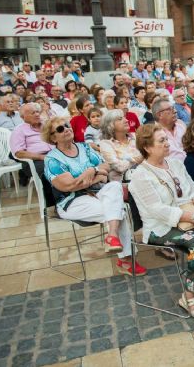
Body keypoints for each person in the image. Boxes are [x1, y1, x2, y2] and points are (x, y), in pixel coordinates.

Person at [129, 124, 194, 319]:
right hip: (161, 228)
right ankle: (188, 296)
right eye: (161, 141)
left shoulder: (175, 164)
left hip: (191, 215)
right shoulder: (140, 175)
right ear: (147, 147)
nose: (167, 143)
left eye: (166, 139)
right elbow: (157, 210)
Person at [42, 116, 146, 276]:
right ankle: (125, 258)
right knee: (118, 212)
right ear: (53, 137)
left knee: (114, 185)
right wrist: (93, 172)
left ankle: (112, 237)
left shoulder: (84, 147)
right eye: (60, 129)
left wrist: (93, 172)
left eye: (67, 125)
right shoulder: (53, 159)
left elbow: (106, 168)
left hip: (98, 192)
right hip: (71, 201)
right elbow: (68, 186)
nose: (67, 129)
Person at [10, 103, 53, 185]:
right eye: (33, 113)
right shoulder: (19, 130)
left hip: (54, 155)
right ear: (23, 117)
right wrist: (41, 157)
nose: (37, 114)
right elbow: (19, 153)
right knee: (53, 170)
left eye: (38, 112)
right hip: (35, 161)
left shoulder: (47, 125)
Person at [99, 109, 143, 182]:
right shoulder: (106, 144)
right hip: (123, 185)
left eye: (124, 117)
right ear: (110, 125)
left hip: (143, 177)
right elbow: (119, 167)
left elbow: (148, 156)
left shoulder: (135, 137)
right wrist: (137, 158)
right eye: (120, 119)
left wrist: (127, 159)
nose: (126, 120)